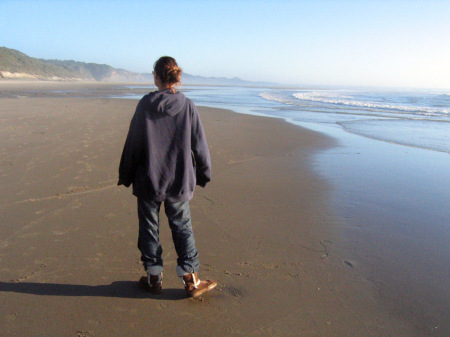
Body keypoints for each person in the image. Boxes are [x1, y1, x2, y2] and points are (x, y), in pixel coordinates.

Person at [118, 56, 217, 298]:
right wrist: (204, 173)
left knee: (149, 228)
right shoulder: (187, 105)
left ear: (157, 77)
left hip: (148, 179)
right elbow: (199, 144)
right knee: (182, 227)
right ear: (175, 77)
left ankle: (153, 277)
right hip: (179, 180)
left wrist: (126, 173)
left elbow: (134, 143)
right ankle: (191, 280)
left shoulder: (145, 104)